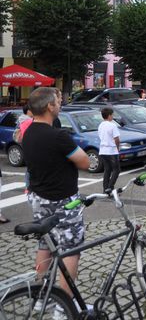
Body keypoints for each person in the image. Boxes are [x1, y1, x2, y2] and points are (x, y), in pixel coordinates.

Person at [22, 87, 90, 296]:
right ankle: (65, 306)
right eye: (57, 102)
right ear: (49, 106)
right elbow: (85, 162)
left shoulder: (29, 132)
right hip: (63, 199)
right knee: (71, 249)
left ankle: (41, 296)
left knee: (45, 243)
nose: (60, 104)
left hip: (38, 196)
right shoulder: (58, 135)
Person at [98, 107, 121, 192]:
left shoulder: (100, 125)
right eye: (112, 115)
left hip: (103, 150)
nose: (113, 116)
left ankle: (105, 188)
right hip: (111, 150)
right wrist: (117, 148)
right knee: (116, 170)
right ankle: (110, 187)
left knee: (107, 169)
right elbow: (117, 139)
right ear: (109, 115)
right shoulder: (112, 125)